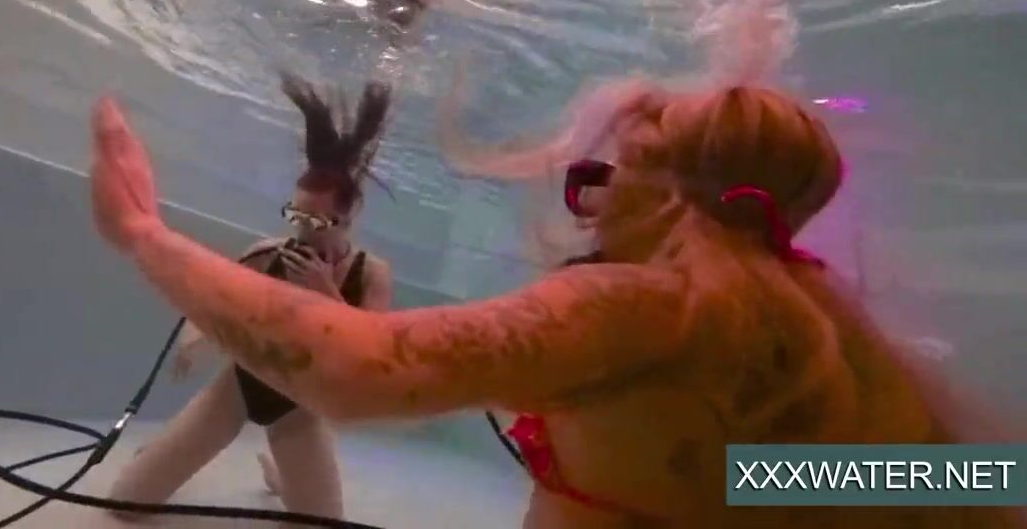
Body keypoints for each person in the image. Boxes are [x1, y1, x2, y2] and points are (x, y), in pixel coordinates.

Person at [90, 69, 1022, 528]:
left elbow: (354, 369)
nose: (591, 207)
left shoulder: (643, 308)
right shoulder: (817, 324)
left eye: (598, 180)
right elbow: (966, 479)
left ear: (655, 187)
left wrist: (144, 235)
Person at [105, 71, 395, 524]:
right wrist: (193, 339)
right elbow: (208, 300)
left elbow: (373, 355)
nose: (303, 232)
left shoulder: (371, 274)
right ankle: (161, 457)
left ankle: (284, 480)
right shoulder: (265, 254)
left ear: (349, 215)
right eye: (297, 217)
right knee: (126, 505)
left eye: (317, 222)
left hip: (298, 407)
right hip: (239, 388)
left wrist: (326, 293)